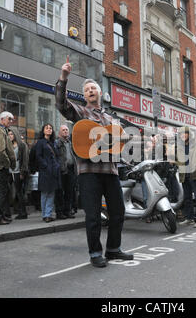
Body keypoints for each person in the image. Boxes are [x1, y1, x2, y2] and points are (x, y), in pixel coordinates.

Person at [55, 58, 134, 268]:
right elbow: (61, 104)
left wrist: (129, 141)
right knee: (93, 215)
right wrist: (64, 77)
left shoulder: (112, 119)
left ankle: (114, 249)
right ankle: (95, 253)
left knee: (118, 212)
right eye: (87, 89)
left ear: (100, 93)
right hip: (88, 171)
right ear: (84, 95)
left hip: (111, 171)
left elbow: (119, 143)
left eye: (94, 88)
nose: (91, 91)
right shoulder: (80, 112)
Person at [35, 124, 60, 223]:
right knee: (45, 193)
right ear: (43, 130)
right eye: (47, 128)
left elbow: (57, 156)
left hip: (54, 171)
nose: (49, 130)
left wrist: (57, 165)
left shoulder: (53, 142)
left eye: (50, 128)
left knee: (52, 193)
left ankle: (48, 214)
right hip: (45, 171)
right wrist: (45, 166)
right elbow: (38, 156)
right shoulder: (40, 142)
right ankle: (45, 215)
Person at [55, 125, 77, 219]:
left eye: (67, 130)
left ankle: (67, 211)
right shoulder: (56, 143)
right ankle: (59, 212)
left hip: (71, 169)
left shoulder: (70, 143)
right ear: (59, 132)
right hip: (61, 170)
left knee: (69, 191)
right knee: (60, 192)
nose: (65, 131)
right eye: (63, 130)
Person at [8, 127, 29, 220]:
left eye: (11, 134)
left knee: (19, 193)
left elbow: (25, 159)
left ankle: (23, 212)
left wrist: (22, 172)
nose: (10, 136)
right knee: (8, 192)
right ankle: (10, 212)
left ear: (15, 134)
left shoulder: (22, 145)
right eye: (8, 135)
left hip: (18, 172)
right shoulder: (8, 145)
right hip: (9, 171)